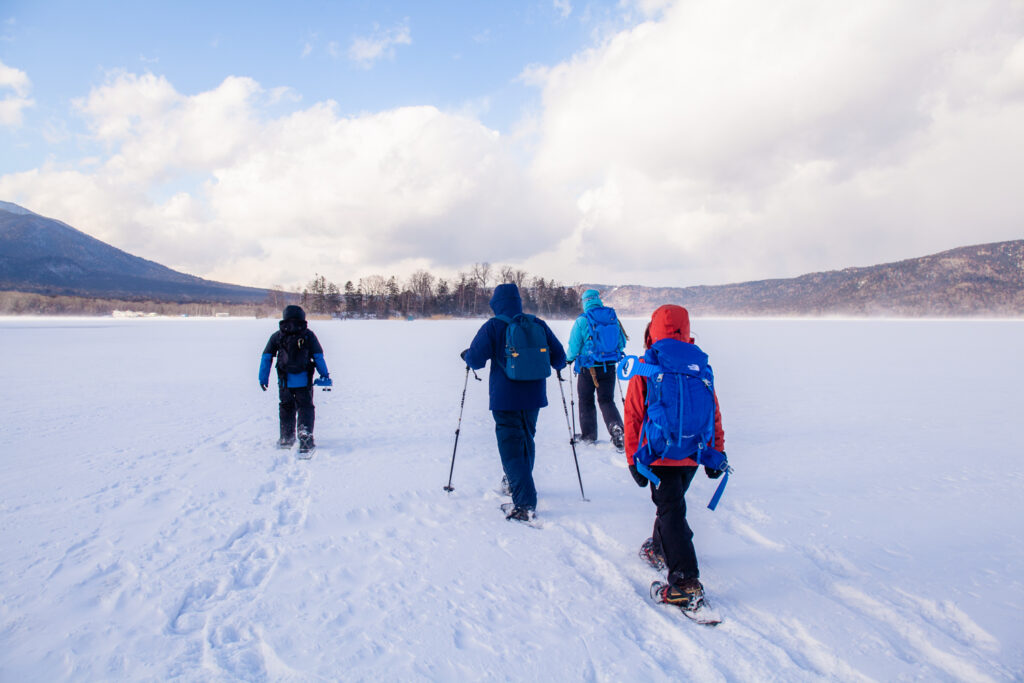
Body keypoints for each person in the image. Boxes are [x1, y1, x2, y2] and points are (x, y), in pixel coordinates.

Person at [624, 305, 724, 609]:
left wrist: (632, 459)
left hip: (658, 454)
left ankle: (686, 582)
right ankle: (659, 547)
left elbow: (633, 416)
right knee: (671, 504)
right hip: (692, 453)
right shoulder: (699, 365)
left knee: (671, 512)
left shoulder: (648, 365)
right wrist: (716, 451)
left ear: (652, 329)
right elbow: (714, 411)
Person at [461, 283, 567, 523]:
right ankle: (516, 483)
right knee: (526, 440)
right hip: (534, 396)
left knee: (511, 449)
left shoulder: (493, 326)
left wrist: (466, 355)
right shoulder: (537, 323)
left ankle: (524, 502)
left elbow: (475, 360)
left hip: (505, 397)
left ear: (496, 304)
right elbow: (559, 357)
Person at [258, 305, 331, 453]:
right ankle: (305, 437)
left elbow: (266, 358)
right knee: (305, 407)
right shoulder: (309, 335)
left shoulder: (277, 335)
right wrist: (324, 375)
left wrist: (263, 377)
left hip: (284, 381)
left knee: (286, 406)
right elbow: (318, 357)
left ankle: (286, 437)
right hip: (304, 381)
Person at [565, 289, 627, 451]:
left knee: (586, 400)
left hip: (588, 368)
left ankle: (589, 435)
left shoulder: (583, 320)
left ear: (585, 302)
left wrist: (569, 359)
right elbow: (621, 343)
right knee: (606, 400)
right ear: (598, 300)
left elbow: (574, 345)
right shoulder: (611, 317)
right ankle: (617, 429)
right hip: (609, 367)